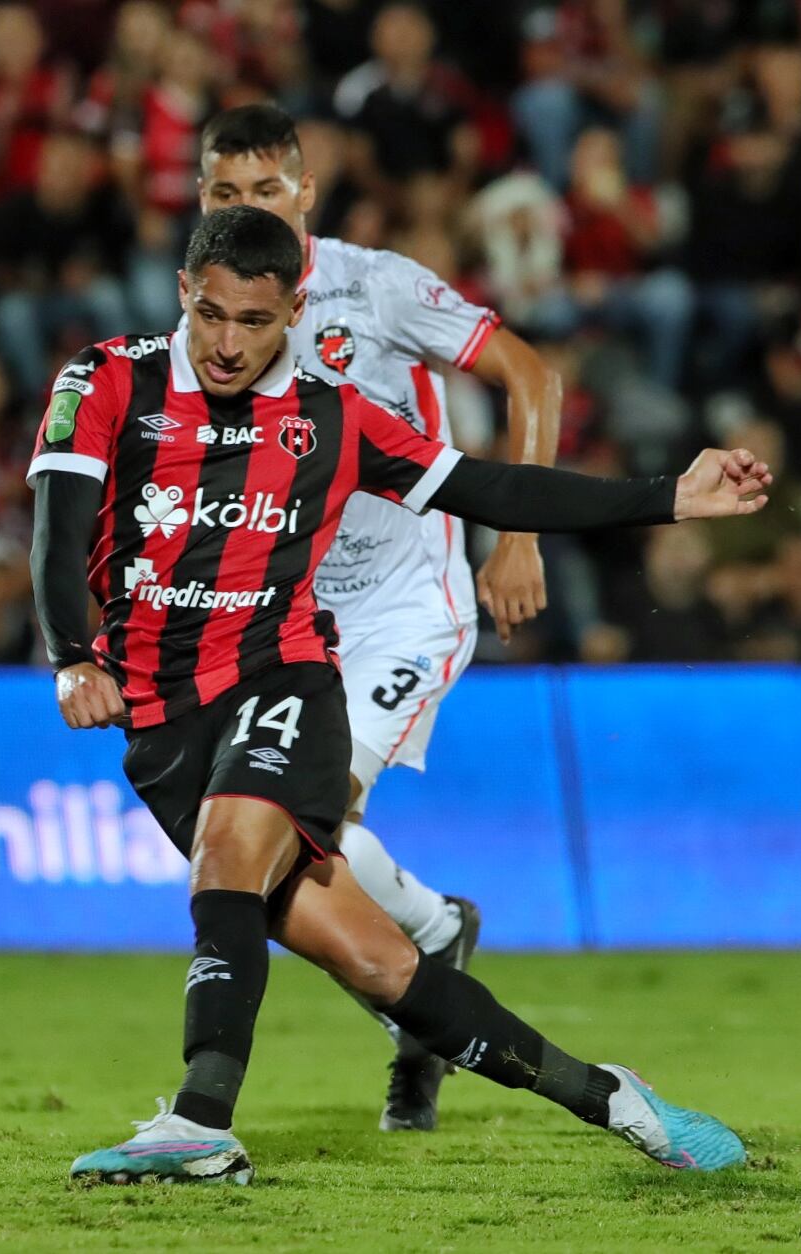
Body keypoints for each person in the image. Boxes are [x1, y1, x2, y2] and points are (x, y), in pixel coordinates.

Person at [33, 206, 763, 1184]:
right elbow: (58, 522)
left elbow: (495, 489)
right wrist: (73, 654)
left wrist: (670, 493)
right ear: (183, 294)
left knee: (227, 856)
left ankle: (201, 1121)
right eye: (210, 316)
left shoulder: (335, 420)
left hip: (281, 684)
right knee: (384, 971)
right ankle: (612, 1097)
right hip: (164, 725)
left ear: (295, 307)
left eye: (253, 321)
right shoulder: (105, 379)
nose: (226, 342)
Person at [199, 103, 563, 1130]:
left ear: (305, 194)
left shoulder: (378, 286)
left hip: (407, 604)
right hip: (287, 615)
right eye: (225, 194)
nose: (247, 211)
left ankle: (425, 986)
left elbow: (531, 373)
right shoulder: (211, 313)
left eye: (266, 191)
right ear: (199, 201)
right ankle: (435, 929)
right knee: (266, 855)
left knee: (300, 828)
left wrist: (520, 535)